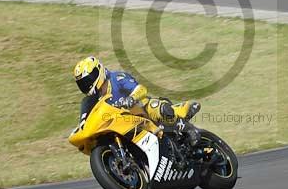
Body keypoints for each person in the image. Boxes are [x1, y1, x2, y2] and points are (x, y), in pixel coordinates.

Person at [72, 56, 201, 143]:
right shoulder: (90, 101)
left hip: (141, 110)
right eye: (82, 83)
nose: (87, 85)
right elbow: (86, 121)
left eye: (88, 80)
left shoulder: (117, 78)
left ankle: (188, 128)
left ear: (99, 70)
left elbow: (141, 89)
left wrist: (131, 99)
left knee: (158, 108)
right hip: (122, 124)